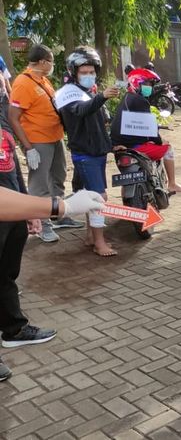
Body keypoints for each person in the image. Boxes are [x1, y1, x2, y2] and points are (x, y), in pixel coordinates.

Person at [0, 102, 103, 380]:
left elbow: (9, 169)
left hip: (12, 211)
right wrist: (59, 206)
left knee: (5, 278)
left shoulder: (2, 122)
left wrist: (32, 208)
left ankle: (14, 329)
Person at [8, 44, 83, 243]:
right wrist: (29, 148)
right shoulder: (23, 84)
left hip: (54, 137)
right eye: (50, 60)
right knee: (39, 184)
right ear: (42, 62)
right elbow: (13, 117)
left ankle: (58, 215)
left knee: (58, 176)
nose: (52, 64)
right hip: (38, 140)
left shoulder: (42, 80)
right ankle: (43, 225)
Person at [55, 47, 120, 257]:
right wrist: (102, 97)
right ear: (74, 72)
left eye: (92, 72)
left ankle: (92, 236)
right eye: (84, 72)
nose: (89, 75)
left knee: (91, 195)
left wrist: (110, 144)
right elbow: (81, 111)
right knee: (98, 197)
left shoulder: (87, 93)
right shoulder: (68, 94)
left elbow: (99, 124)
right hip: (85, 154)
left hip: (97, 153)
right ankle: (100, 243)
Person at [110, 68, 181, 193]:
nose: (149, 87)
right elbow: (148, 129)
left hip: (120, 147)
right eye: (146, 84)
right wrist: (159, 140)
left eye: (150, 84)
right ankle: (172, 183)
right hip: (135, 147)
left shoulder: (127, 98)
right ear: (137, 83)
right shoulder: (140, 101)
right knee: (168, 147)